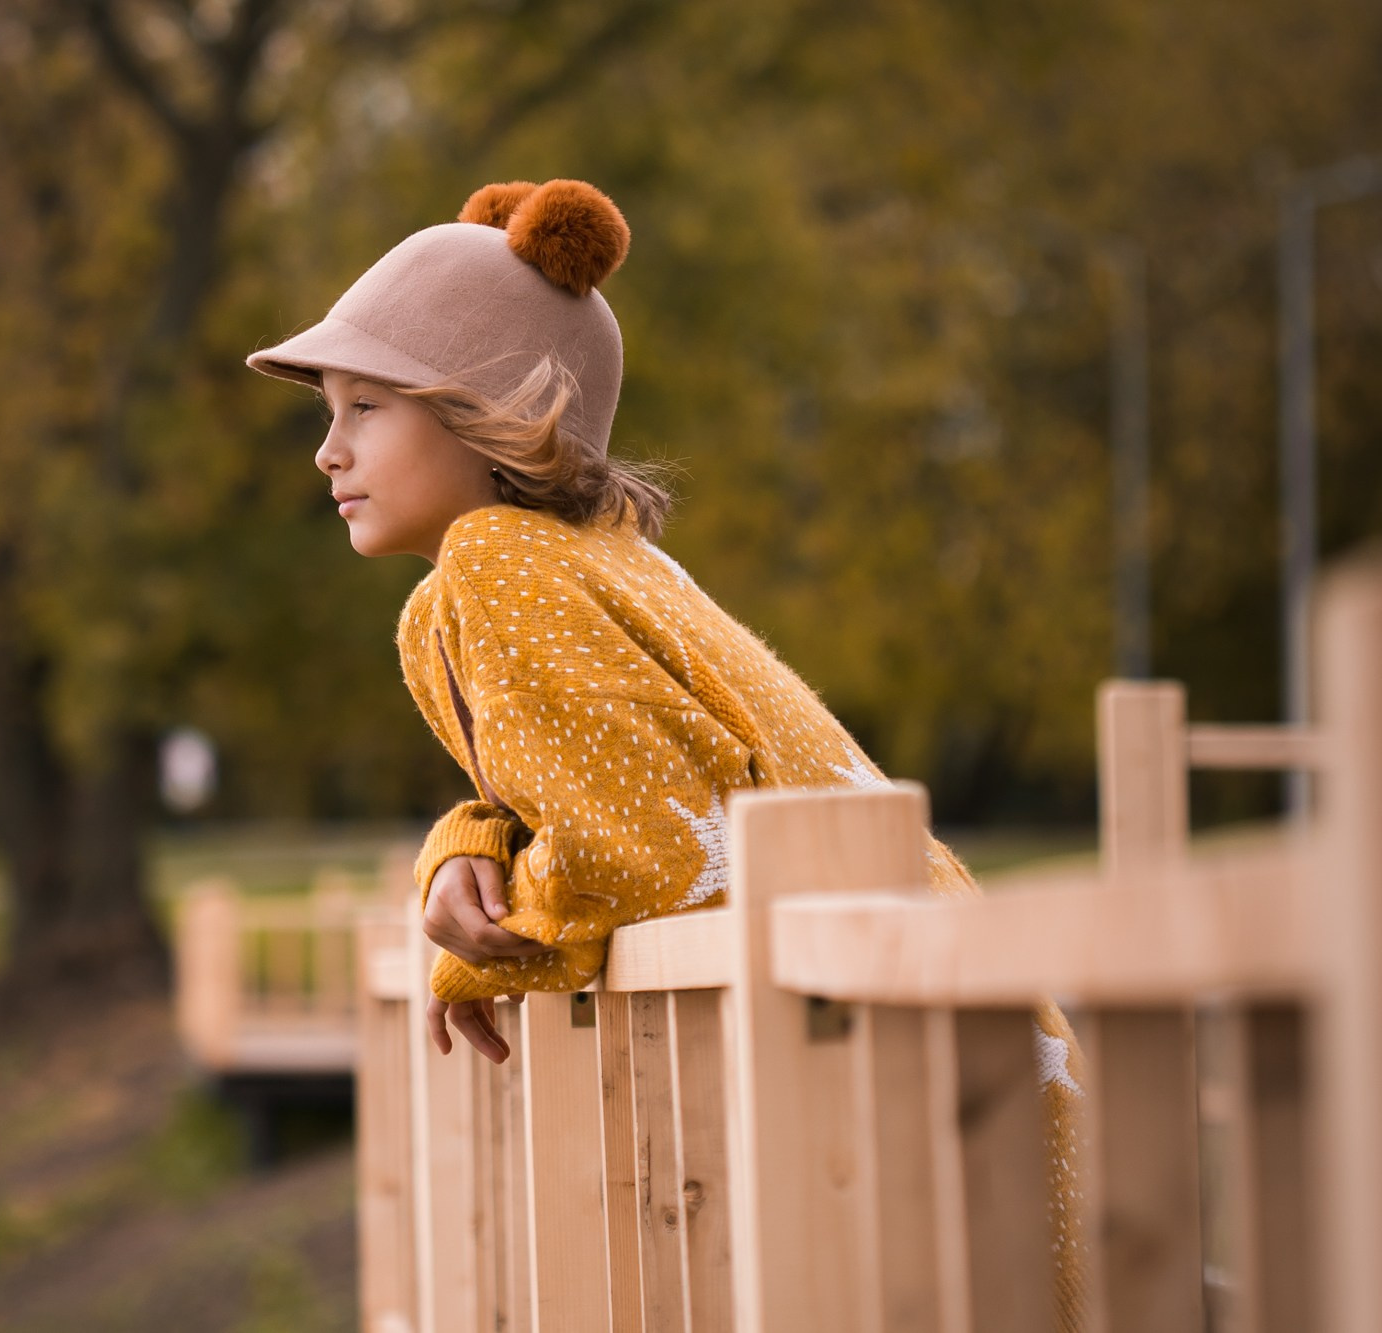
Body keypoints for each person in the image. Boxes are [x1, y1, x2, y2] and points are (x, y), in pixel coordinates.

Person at [245, 179, 1083, 1323]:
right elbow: (655, 780)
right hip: (954, 1024)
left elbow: (640, 852)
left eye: (364, 408)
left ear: (488, 410)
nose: (325, 452)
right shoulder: (608, 557)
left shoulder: (494, 566)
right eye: (325, 412)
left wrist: (485, 948)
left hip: (896, 1078)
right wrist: (471, 836)